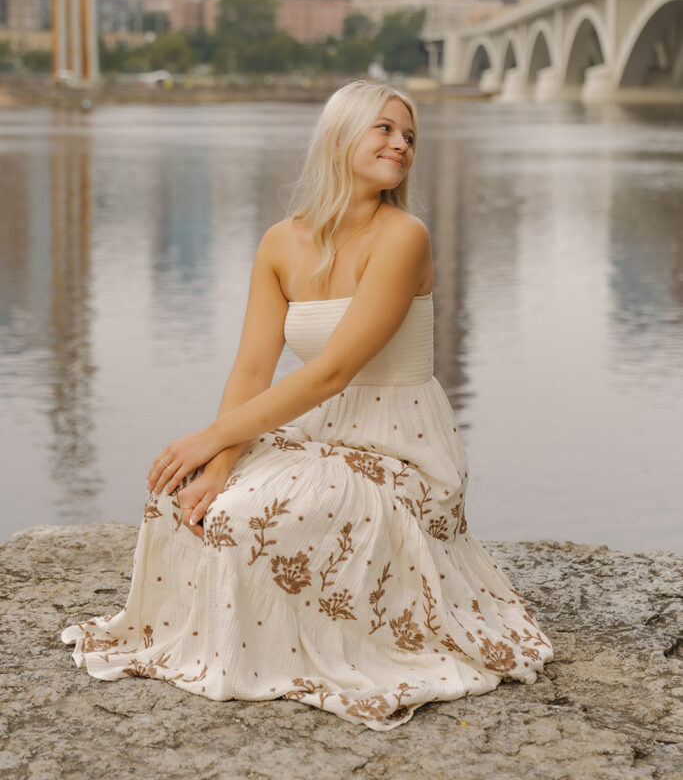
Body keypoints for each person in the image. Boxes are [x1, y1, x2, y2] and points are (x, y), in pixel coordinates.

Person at [62, 79, 553, 730]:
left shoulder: (403, 236)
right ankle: (219, 634)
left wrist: (210, 437)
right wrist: (215, 460)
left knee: (240, 517)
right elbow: (251, 367)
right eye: (384, 128)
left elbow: (332, 371)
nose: (401, 144)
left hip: (397, 446)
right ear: (338, 134)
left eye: (409, 136)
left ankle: (277, 653)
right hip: (317, 434)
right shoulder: (279, 242)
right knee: (181, 494)